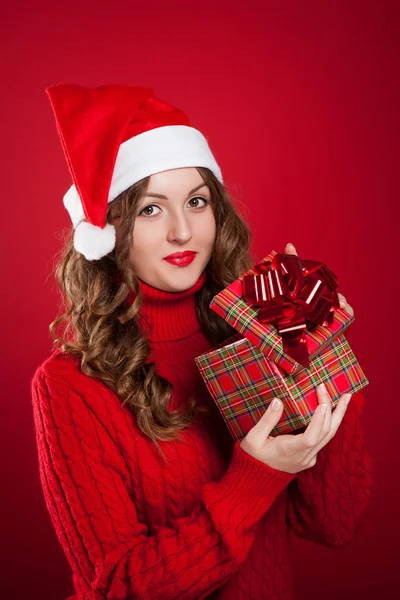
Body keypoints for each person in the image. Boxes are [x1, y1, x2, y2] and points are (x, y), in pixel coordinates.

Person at [31, 84, 374, 600]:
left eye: (197, 202)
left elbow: (335, 524)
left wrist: (326, 361)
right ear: (109, 229)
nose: (183, 231)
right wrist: (251, 481)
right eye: (150, 209)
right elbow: (118, 589)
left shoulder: (253, 331)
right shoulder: (68, 388)